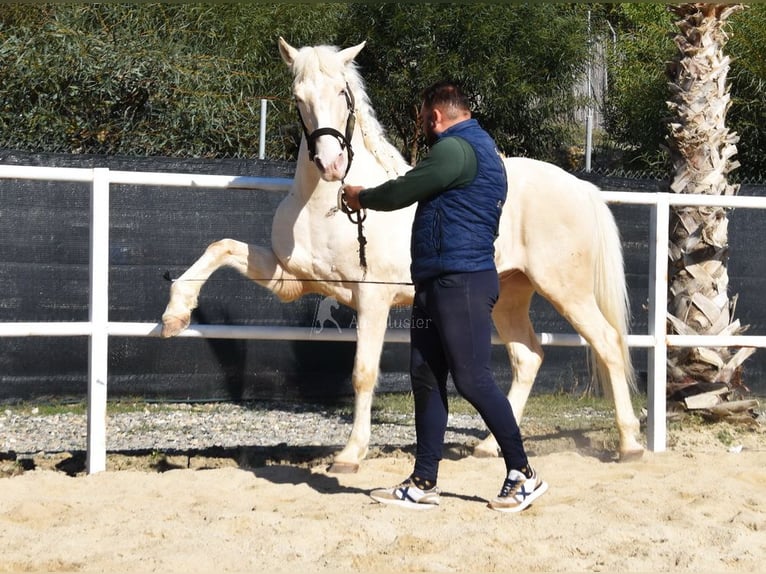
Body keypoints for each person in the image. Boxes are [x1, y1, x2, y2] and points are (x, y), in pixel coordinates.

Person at [342, 80, 547, 513]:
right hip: (437, 284)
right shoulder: (480, 150)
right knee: (426, 377)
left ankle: (523, 474)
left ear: (436, 116)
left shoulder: (456, 150)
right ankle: (423, 481)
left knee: (472, 378)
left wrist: (362, 196)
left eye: (423, 119)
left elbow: (403, 190)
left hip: (461, 283)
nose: (424, 126)